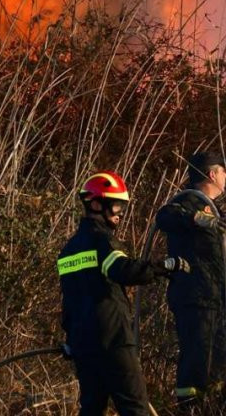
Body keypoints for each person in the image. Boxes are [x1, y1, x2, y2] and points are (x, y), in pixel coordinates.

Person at [58, 170, 191, 416]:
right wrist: (165, 266)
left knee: (91, 408)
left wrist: (70, 339)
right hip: (113, 339)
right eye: (117, 205)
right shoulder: (101, 239)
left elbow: (70, 301)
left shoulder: (68, 249)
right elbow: (123, 270)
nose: (120, 213)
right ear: (96, 204)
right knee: (134, 408)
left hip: (83, 343)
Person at [155, 151, 226, 411]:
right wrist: (198, 218)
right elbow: (164, 217)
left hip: (213, 296)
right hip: (193, 295)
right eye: (224, 171)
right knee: (196, 358)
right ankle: (189, 407)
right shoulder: (189, 201)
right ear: (212, 174)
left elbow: (216, 251)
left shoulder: (215, 209)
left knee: (217, 358)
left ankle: (213, 406)